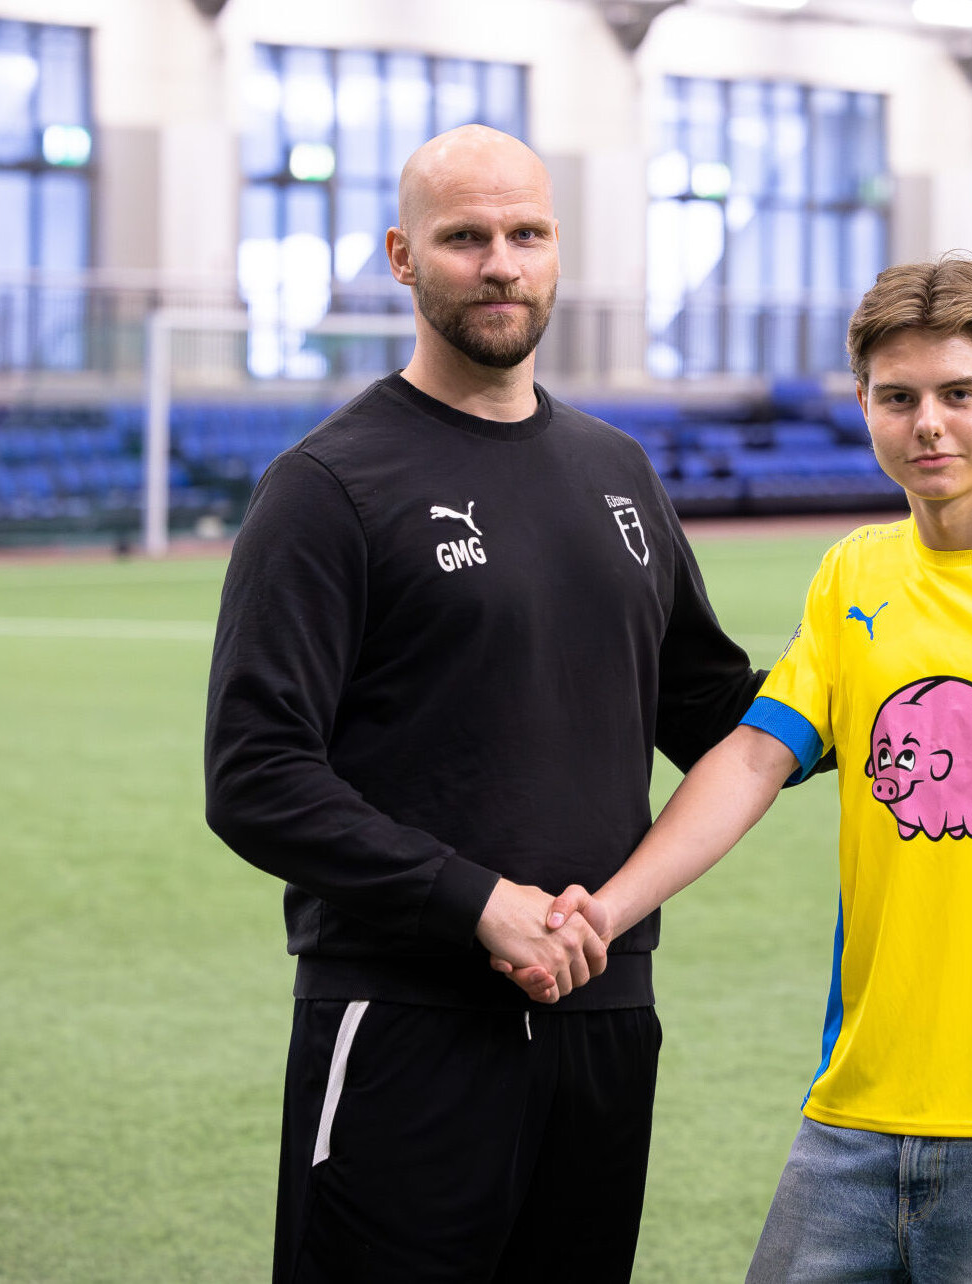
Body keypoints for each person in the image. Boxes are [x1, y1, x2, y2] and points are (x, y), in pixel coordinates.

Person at [523, 255, 972, 1281]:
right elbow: (753, 759)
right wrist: (603, 911)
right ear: (863, 405)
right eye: (897, 398)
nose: (928, 425)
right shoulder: (853, 572)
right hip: (852, 1117)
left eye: (959, 394)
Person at [204, 124, 769, 1283]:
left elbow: (719, 714)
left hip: (604, 1014)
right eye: (466, 237)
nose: (501, 264)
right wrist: (477, 905)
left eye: (527, 234)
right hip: (407, 1021)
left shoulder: (617, 470)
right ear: (403, 257)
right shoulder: (328, 486)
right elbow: (256, 775)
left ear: (559, 248)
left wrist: (896, 663)